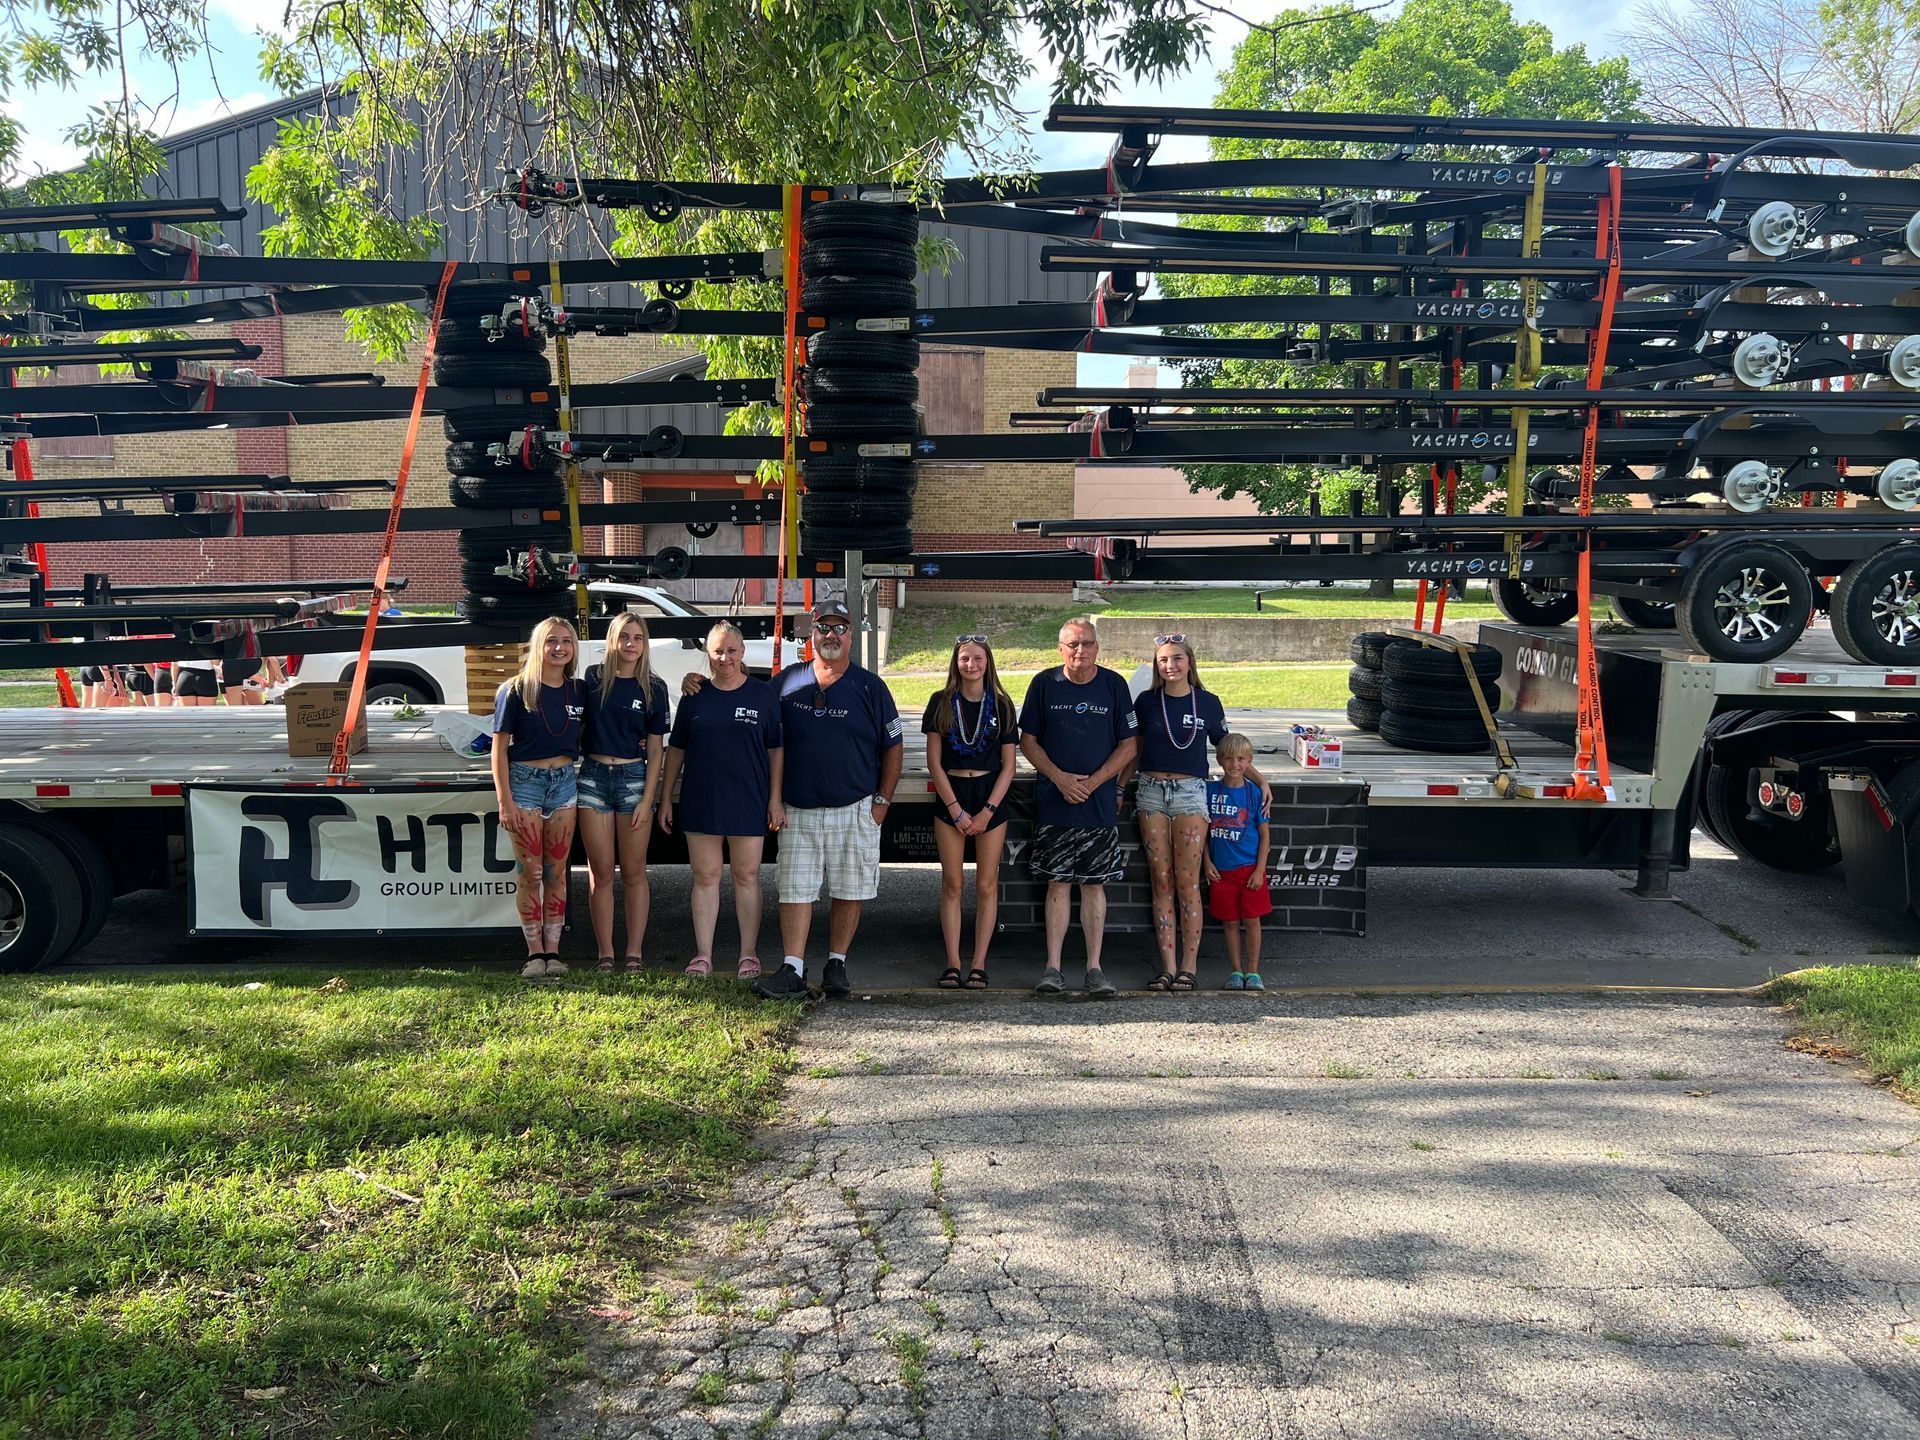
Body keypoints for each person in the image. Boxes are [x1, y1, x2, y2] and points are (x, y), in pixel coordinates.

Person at [752, 596, 902, 1000]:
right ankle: (793, 969)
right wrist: (699, 684)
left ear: (851, 635)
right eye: (823, 628)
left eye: (839, 628)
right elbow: (748, 708)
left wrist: (881, 803)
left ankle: (837, 964)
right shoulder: (785, 682)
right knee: (795, 890)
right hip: (798, 808)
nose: (831, 635)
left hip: (855, 807)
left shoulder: (870, 687)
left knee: (849, 889)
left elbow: (893, 746)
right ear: (810, 634)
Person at [1017, 617, 1138, 998]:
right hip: (1055, 800)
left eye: (1086, 643)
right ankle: (1052, 968)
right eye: (1072, 644)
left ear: (1097, 647)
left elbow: (1130, 745)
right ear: (1060, 649)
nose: (1079, 651)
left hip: (1098, 803)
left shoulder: (1114, 685)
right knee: (1057, 883)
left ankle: (1094, 969)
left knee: (1093, 885)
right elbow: (1028, 741)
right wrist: (1061, 779)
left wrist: (1094, 782)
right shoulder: (1043, 684)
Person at [659, 622, 783, 980]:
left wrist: (775, 799)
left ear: (742, 652)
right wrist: (666, 798)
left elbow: (776, 749)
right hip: (703, 798)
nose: (725, 658)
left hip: (749, 798)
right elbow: (677, 749)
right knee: (706, 877)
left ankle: (748, 955)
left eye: (731, 650)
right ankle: (703, 955)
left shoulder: (763, 695)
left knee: (747, 876)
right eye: (717, 651)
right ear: (708, 655)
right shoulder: (694, 695)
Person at [490, 615, 586, 979]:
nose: (559, 648)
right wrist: (505, 801)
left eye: (566, 641)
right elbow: (498, 749)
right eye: (551, 641)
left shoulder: (578, 691)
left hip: (564, 783)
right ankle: (534, 954)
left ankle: (554, 951)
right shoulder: (516, 689)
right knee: (529, 872)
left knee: (557, 871)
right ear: (538, 646)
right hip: (525, 783)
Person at [922, 634, 1019, 989]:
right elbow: (934, 762)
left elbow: (1009, 766)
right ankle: (952, 962)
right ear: (956, 662)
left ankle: (978, 963)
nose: (971, 665)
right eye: (965, 658)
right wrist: (956, 810)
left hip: (990, 795)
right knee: (952, 882)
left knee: (986, 883)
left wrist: (987, 811)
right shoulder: (940, 702)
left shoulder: (1003, 706)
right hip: (952, 794)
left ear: (988, 662)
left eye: (978, 658)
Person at [1133, 634, 1228, 993]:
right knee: (1161, 881)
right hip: (1152, 793)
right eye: (1162, 660)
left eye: (1176, 659)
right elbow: (1133, 748)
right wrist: (1115, 787)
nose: (1170, 666)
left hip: (1190, 793)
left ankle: (1189, 967)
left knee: (1188, 884)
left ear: (1190, 662)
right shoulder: (1145, 702)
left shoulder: (1207, 702)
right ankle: (1167, 967)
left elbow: (1227, 748)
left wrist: (1256, 780)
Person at [578, 612, 671, 974]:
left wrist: (649, 800)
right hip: (593, 779)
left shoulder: (654, 687)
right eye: (625, 637)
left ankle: (634, 954)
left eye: (638, 637)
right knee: (600, 872)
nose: (631, 644)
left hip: (634, 779)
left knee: (634, 871)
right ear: (613, 640)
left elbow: (656, 749)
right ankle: (605, 954)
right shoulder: (593, 679)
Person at [1205, 733, 1272, 991]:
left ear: (1249, 761)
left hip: (1249, 870)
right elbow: (1202, 835)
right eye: (1229, 758)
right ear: (1220, 760)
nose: (1235, 764)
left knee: (1252, 920)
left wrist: (1260, 870)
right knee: (1230, 922)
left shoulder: (1254, 793)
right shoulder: (1211, 791)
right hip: (1221, 872)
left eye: (1241, 759)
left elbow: (1265, 835)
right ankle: (1236, 971)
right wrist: (1206, 863)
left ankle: (1253, 972)